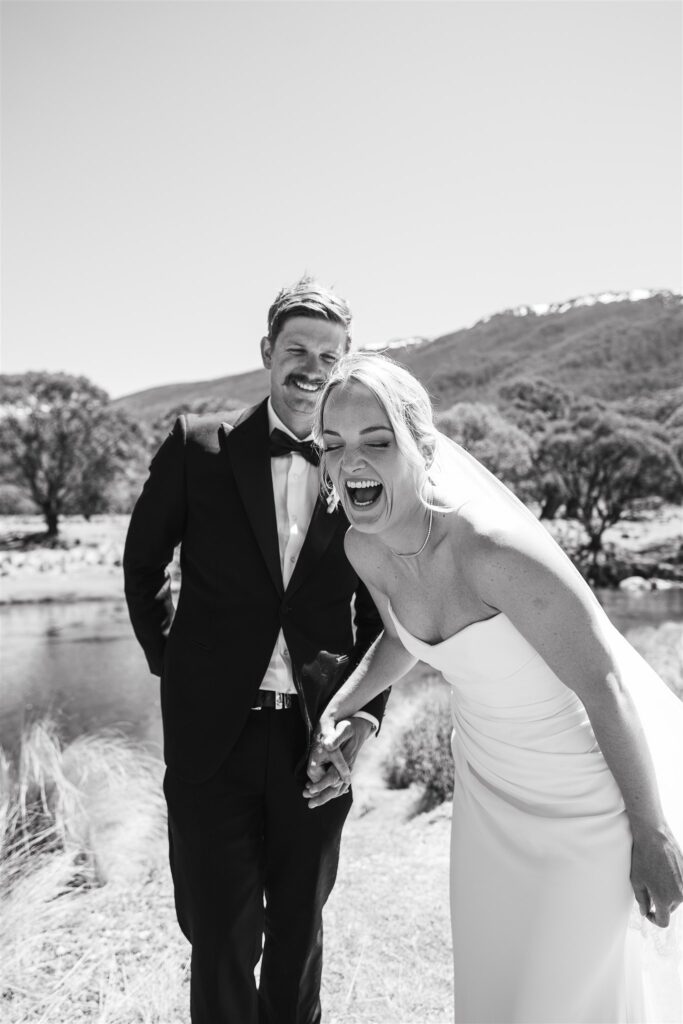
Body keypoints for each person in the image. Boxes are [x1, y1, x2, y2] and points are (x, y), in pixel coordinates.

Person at [304, 351, 683, 1023]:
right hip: (488, 797)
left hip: (584, 796)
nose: (350, 461)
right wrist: (340, 708)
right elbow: (402, 639)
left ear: (420, 447)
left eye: (376, 441)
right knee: (499, 980)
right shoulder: (362, 547)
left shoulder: (493, 550)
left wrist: (649, 834)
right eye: (333, 445)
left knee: (572, 990)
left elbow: (604, 687)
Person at [123, 278, 388, 1024]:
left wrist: (361, 722)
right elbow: (143, 567)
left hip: (318, 735)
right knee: (219, 937)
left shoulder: (363, 463)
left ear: (343, 365)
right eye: (296, 349)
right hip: (215, 735)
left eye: (328, 355)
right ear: (267, 352)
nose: (310, 366)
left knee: (300, 933)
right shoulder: (194, 446)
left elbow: (381, 609)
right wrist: (172, 664)